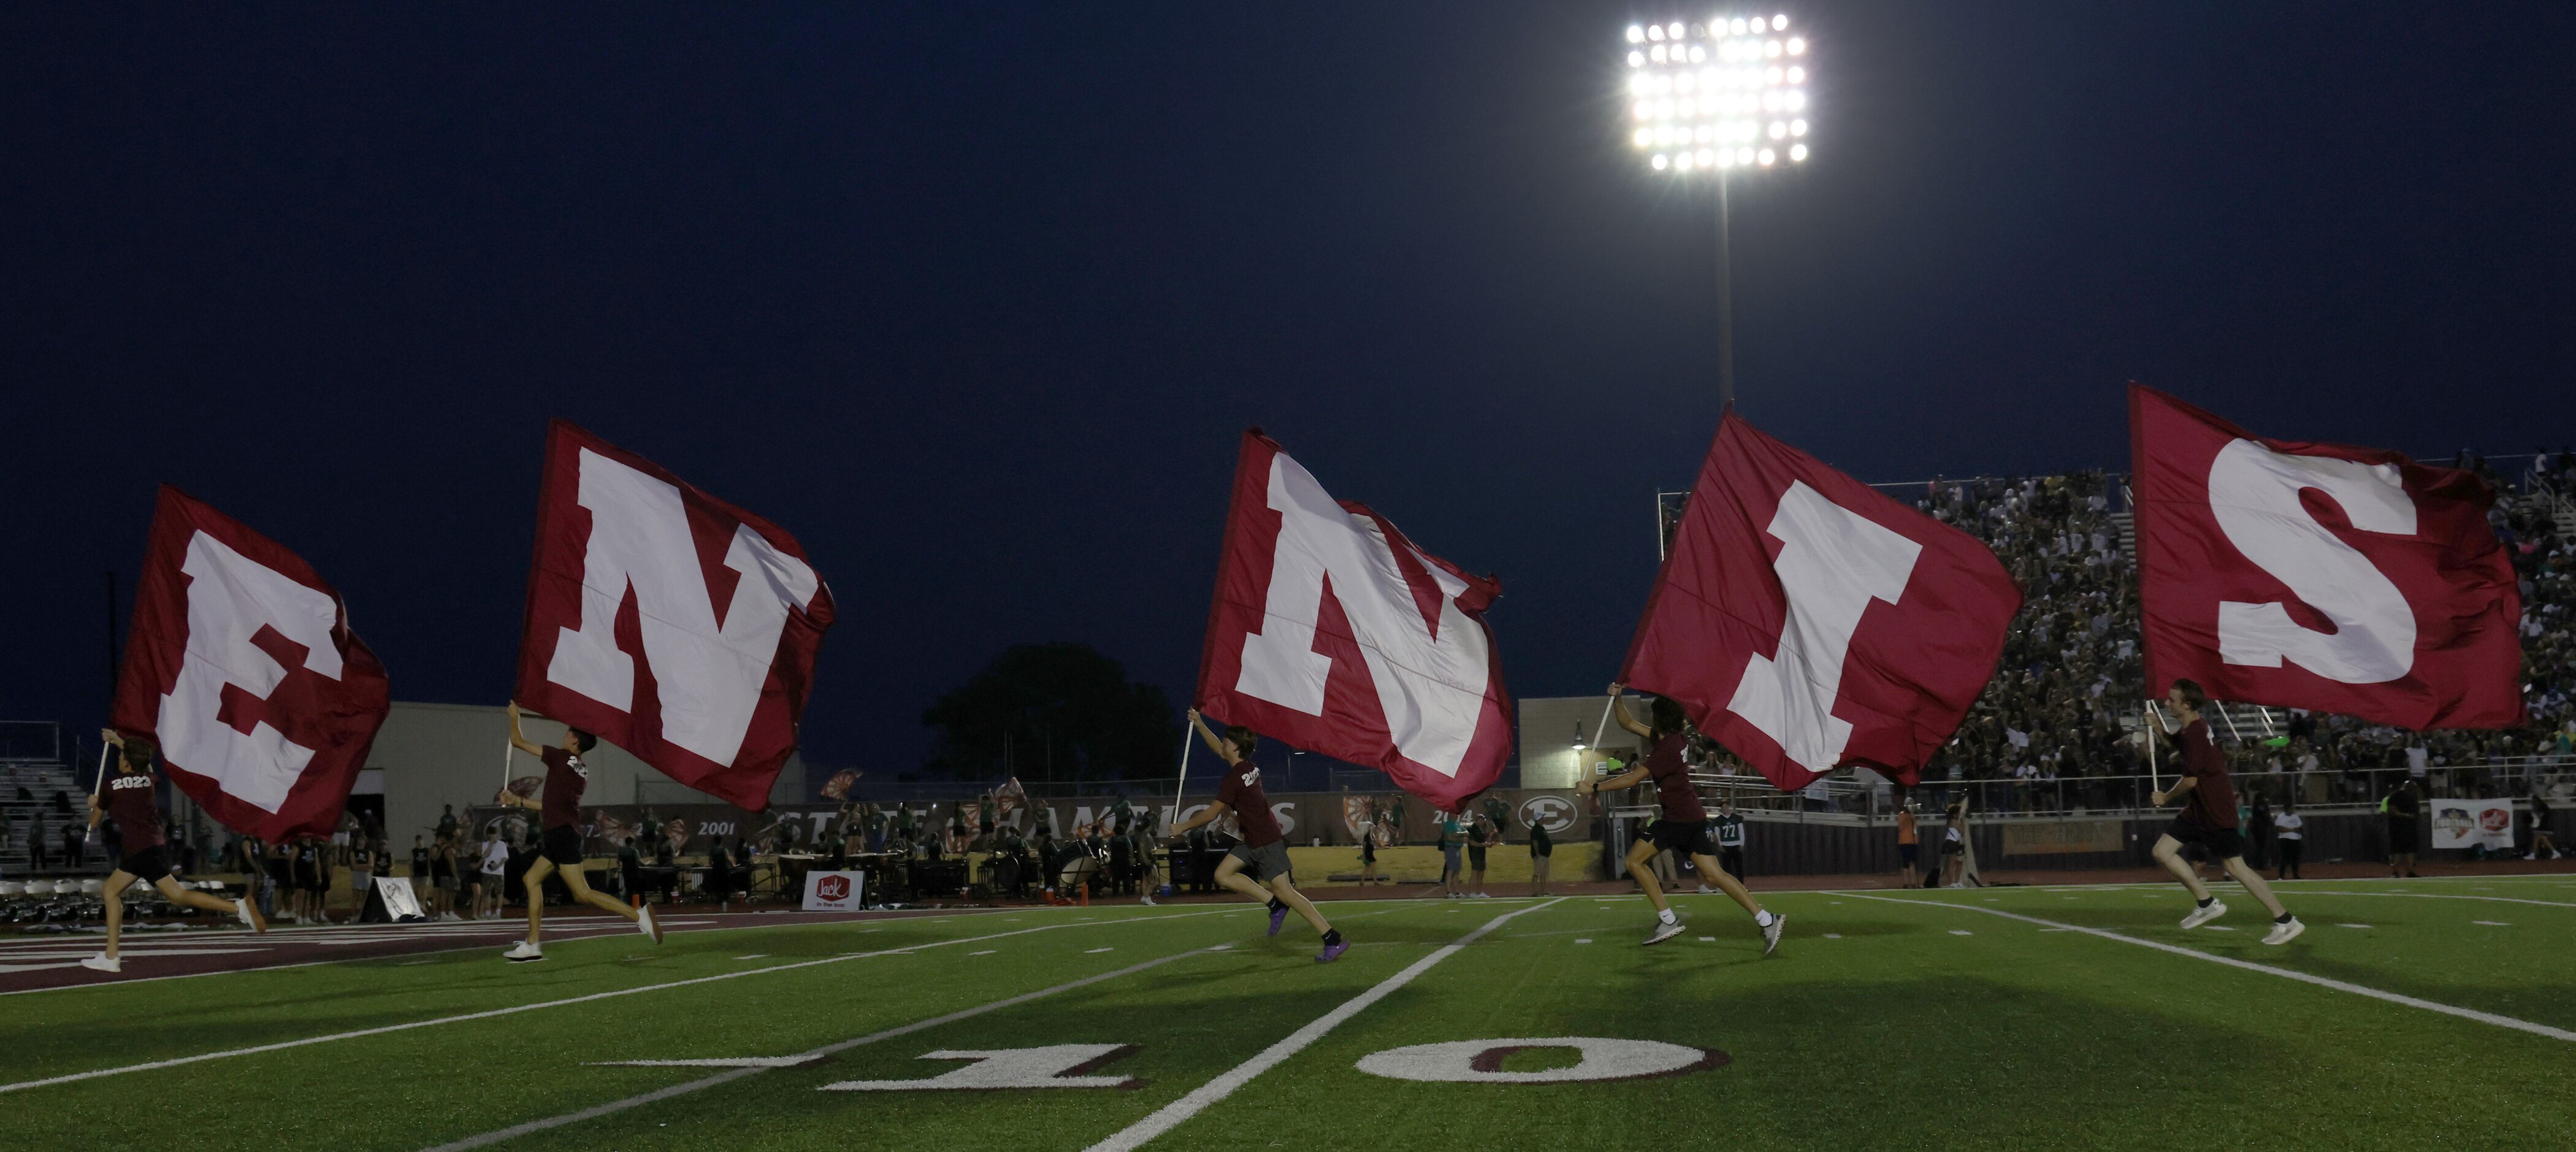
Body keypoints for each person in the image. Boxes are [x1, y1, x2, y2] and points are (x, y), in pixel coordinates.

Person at [1582, 685, 1784, 953]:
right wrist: (1618, 698)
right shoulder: (1674, 739)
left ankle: (1668, 919)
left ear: (1659, 720)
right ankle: (1767, 919)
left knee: (1634, 861)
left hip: (1677, 819)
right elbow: (1628, 723)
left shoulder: (1665, 748)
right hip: (1691, 817)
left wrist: (1594, 788)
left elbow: (1633, 778)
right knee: (1715, 875)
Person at [80, 730, 266, 972]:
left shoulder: (109, 787)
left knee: (175, 895)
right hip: (152, 845)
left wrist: (93, 805)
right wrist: (117, 741)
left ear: (125, 761)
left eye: (122, 756)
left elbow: (94, 823)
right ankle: (111, 956)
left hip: (139, 849)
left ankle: (238, 908)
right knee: (113, 890)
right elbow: (142, 761)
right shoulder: (149, 780)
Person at [1168, 710, 1347, 961]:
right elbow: (1220, 751)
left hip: (1265, 840)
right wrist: (1198, 723)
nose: (1224, 743)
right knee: (1223, 875)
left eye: (1227, 741)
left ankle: (1331, 938)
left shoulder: (1233, 779)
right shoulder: (1248, 767)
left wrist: (1182, 827)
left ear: (1236, 747)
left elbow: (1209, 814)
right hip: (1252, 838)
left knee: (1286, 892)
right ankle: (1274, 904)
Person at [491, 702, 659, 962]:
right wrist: (517, 802)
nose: (565, 734)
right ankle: (532, 944)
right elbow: (552, 806)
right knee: (531, 880)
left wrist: (515, 717)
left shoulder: (560, 757)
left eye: (569, 732)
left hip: (561, 835)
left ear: (574, 740)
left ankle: (639, 916)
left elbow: (518, 740)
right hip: (562, 832)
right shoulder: (581, 770)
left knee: (583, 893)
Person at [2147, 681, 2303, 945]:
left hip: (2215, 810)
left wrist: (2165, 797)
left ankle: (2286, 920)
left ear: (2187, 705)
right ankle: (2206, 902)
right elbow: (2177, 745)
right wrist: (2158, 729)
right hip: (2198, 809)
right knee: (2162, 852)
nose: (2167, 703)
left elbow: (2190, 781)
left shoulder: (2195, 734)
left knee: (2236, 867)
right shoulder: (2192, 728)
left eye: (2172, 700)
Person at [2384, 776, 2421, 878]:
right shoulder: (2400, 797)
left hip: (2403, 827)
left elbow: (2391, 810)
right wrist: (2406, 816)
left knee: (2403, 850)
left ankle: (2401, 872)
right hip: (2402, 827)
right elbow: (2392, 811)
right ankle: (2401, 872)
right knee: (2403, 850)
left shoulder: (2398, 796)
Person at [1710, 797, 1747, 886]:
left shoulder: (1737, 818)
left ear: (1730, 807)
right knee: (1726, 868)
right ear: (1720, 809)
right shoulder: (1718, 820)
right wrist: (1720, 845)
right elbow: (1717, 833)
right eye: (1723, 807)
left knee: (1739, 867)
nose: (1725, 809)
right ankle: (1728, 885)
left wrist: (1742, 843)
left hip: (1736, 844)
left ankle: (1741, 885)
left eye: (1726, 807)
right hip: (1725, 845)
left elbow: (1741, 831)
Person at [475, 828, 509, 919]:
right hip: (487, 871)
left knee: (499, 892)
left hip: (499, 871)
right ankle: (488, 912)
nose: (493, 836)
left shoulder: (502, 844)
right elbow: (485, 855)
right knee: (486, 892)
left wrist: (498, 866)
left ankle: (498, 913)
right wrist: (490, 844)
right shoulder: (485, 844)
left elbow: (505, 857)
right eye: (491, 834)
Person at [2525, 785, 2561, 861]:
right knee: (2543, 839)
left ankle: (2533, 854)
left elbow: (2541, 816)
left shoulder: (2541, 807)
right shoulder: (2542, 806)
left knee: (2537, 837)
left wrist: (2534, 812)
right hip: (2543, 826)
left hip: (2544, 826)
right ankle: (2555, 852)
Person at [1435, 810, 1466, 899]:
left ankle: (1457, 892)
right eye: (1455, 813)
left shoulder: (1457, 824)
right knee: (1451, 870)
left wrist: (1458, 835)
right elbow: (1450, 838)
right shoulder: (1449, 824)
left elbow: (1466, 833)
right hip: (1451, 849)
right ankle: (1448, 892)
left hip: (1457, 849)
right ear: (1450, 815)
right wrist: (1460, 838)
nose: (1457, 815)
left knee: (1457, 871)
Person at [1465, 812, 1496, 898]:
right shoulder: (1472, 829)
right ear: (1477, 820)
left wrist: (1490, 838)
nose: (1483, 822)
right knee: (1475, 873)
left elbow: (1483, 841)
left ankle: (1480, 892)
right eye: (1482, 820)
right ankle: (1472, 892)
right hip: (1475, 853)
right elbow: (1472, 842)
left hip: (1482, 854)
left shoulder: (1481, 830)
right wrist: (1484, 845)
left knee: (1481, 874)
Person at [2272, 799, 2304, 880]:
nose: (2292, 810)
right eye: (2291, 808)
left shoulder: (2296, 817)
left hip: (2296, 840)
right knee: (2284, 859)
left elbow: (2300, 828)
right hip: (2285, 840)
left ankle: (2296, 875)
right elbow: (2280, 828)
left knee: (2295, 859)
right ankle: (2281, 876)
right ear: (2287, 809)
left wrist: (2289, 829)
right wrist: (2292, 830)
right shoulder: (2281, 817)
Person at [1527, 810, 1553, 896]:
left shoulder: (1542, 829)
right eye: (1542, 818)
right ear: (1539, 819)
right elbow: (1535, 842)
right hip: (1541, 855)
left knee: (1544, 874)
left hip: (1545, 855)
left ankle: (1544, 891)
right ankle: (1535, 891)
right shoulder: (1536, 830)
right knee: (1537, 873)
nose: (1544, 819)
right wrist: (1537, 854)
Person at [1896, 801, 1921, 889]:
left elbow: (1915, 829)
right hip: (1905, 841)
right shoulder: (1902, 815)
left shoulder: (1913, 816)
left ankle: (1915, 883)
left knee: (1913, 862)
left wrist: (1916, 840)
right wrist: (1909, 819)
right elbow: (1901, 827)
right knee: (1906, 863)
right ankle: (1906, 883)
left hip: (1912, 841)